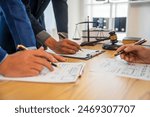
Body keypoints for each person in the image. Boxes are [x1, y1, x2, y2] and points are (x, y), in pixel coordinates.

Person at [0, 0, 66, 77]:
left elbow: (14, 5)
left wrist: (30, 51)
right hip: (7, 33)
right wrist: (3, 60)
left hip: (30, 28)